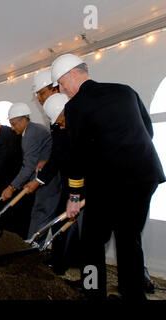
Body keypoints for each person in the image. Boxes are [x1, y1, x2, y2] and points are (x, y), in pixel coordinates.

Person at [52, 53, 165, 300]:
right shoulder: (125, 90)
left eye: (61, 83)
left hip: (109, 184)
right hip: (145, 177)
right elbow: (148, 130)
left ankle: (93, 293)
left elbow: (77, 155)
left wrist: (73, 197)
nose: (61, 90)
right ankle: (134, 296)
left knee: (91, 243)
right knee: (129, 240)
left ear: (73, 74)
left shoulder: (75, 106)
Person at [24, 93, 81, 275]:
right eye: (58, 123)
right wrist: (39, 180)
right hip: (71, 183)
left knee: (90, 238)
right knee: (60, 224)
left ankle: (90, 284)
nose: (61, 125)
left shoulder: (80, 127)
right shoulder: (60, 128)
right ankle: (58, 266)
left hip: (85, 184)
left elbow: (77, 162)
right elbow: (57, 157)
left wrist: (75, 195)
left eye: (62, 121)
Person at [1, 103, 61, 240]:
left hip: (48, 181)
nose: (12, 127)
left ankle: (32, 252)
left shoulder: (31, 134)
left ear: (23, 119)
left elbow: (28, 166)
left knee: (40, 214)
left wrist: (11, 187)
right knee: (39, 214)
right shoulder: (33, 130)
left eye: (14, 123)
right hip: (43, 178)